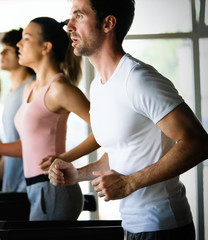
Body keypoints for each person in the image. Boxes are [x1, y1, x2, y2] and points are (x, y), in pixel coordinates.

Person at [48, 0, 208, 239]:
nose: (69, 26)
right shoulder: (98, 86)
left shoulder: (139, 80)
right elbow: (121, 152)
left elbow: (197, 143)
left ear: (108, 23)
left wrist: (129, 183)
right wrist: (76, 174)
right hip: (132, 226)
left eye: (79, 16)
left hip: (163, 227)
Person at [0, 17, 98, 221]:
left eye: (26, 38)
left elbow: (105, 129)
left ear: (46, 47)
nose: (19, 44)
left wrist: (66, 157)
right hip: (35, 188)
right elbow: (27, 147)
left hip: (53, 188)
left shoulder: (60, 90)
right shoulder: (29, 89)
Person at [0, 28, 35, 192]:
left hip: (28, 187)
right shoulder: (13, 93)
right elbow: (11, 144)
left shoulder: (32, 88)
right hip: (12, 185)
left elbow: (27, 145)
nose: (1, 54)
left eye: (7, 50)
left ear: (20, 52)